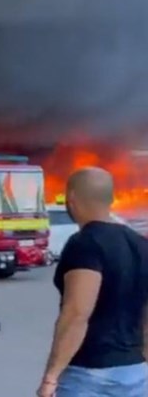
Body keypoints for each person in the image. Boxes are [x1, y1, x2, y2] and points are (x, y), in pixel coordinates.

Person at [38, 167, 148, 397]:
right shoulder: (140, 244)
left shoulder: (84, 244)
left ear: (73, 199)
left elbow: (77, 312)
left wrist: (51, 377)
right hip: (136, 373)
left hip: (89, 375)